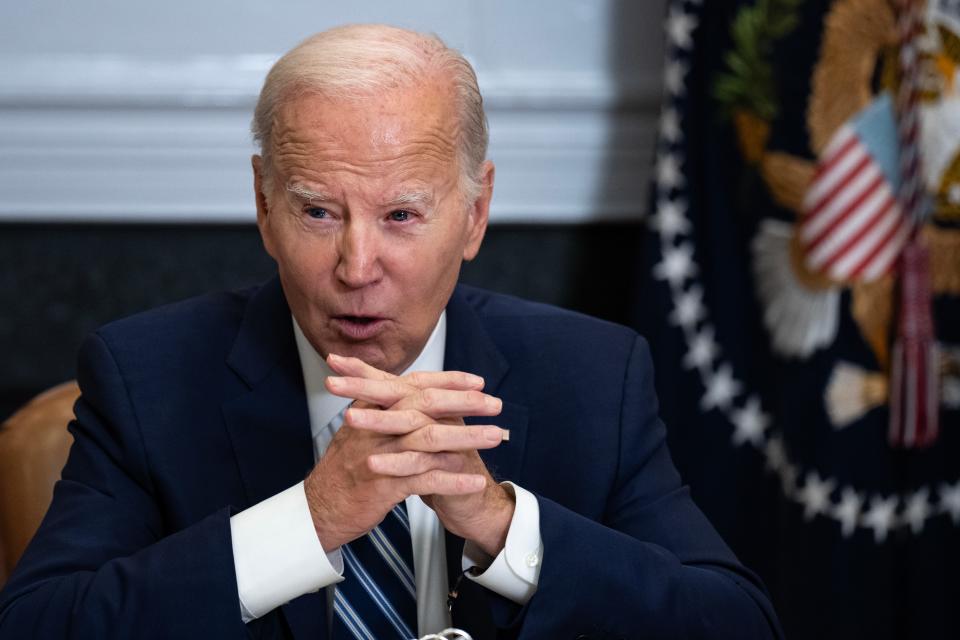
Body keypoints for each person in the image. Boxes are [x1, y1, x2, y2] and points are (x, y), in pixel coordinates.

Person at [0, 24, 783, 639]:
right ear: (264, 207)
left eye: (402, 215)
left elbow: (737, 624)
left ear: (475, 214)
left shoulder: (591, 375)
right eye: (317, 211)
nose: (357, 265)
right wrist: (308, 520)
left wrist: (502, 526)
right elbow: (36, 626)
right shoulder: (146, 376)